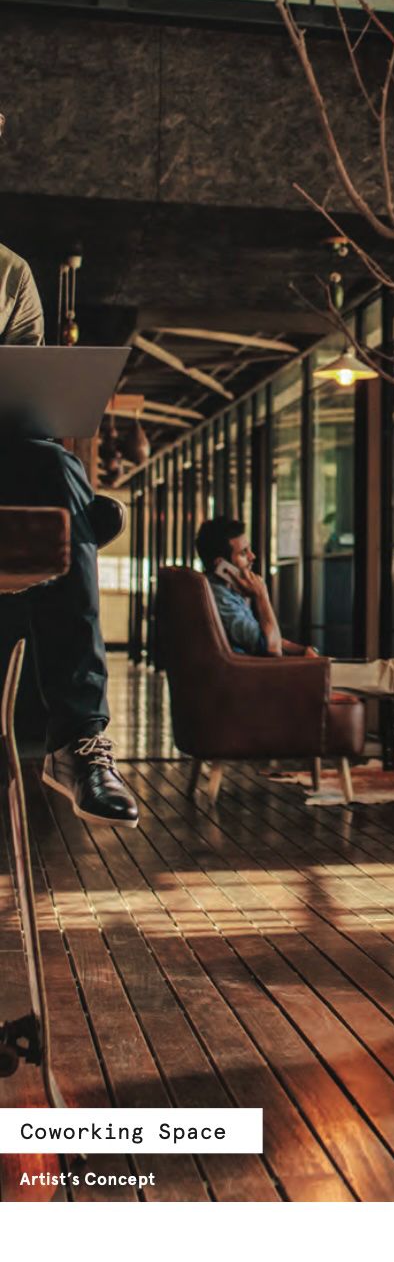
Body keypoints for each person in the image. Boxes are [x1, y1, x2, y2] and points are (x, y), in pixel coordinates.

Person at [1, 164, 140, 828]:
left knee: (54, 467)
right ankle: (78, 525)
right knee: (66, 504)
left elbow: (22, 401)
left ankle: (80, 742)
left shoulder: (9, 274)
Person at [196, 517, 394, 697]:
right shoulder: (221, 599)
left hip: (284, 673)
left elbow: (269, 642)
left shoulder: (225, 594)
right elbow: (271, 648)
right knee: (390, 674)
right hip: (278, 680)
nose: (252, 557)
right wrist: (261, 595)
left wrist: (302, 650)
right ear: (221, 564)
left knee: (391, 675)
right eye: (243, 552)